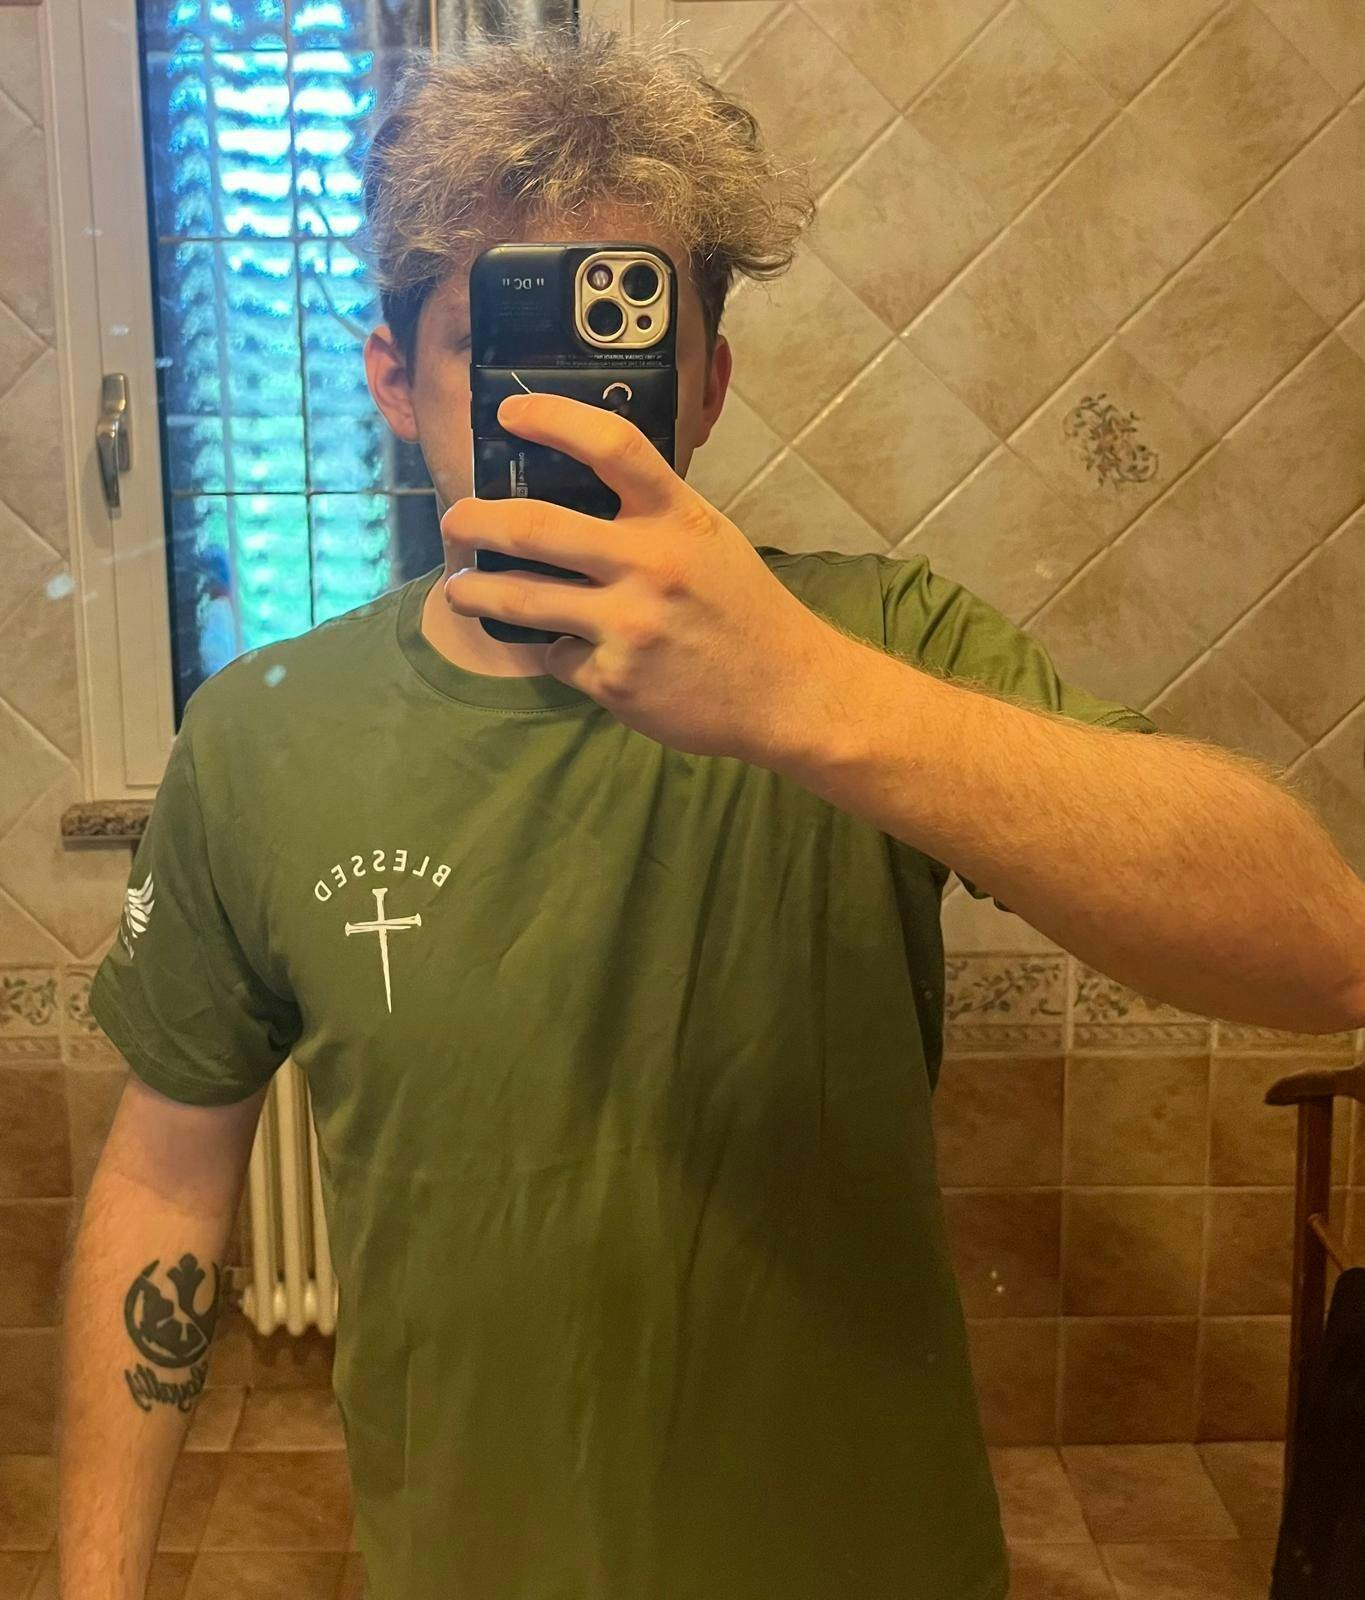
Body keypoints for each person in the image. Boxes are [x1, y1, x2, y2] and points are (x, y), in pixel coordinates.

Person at [57, 20, 1365, 1600]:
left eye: (620, 333)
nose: (568, 411)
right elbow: (164, 1174)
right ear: (396, 381)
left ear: (708, 383)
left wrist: (807, 699)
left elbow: (1320, 953)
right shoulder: (264, 734)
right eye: (497, 340)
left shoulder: (880, 647)